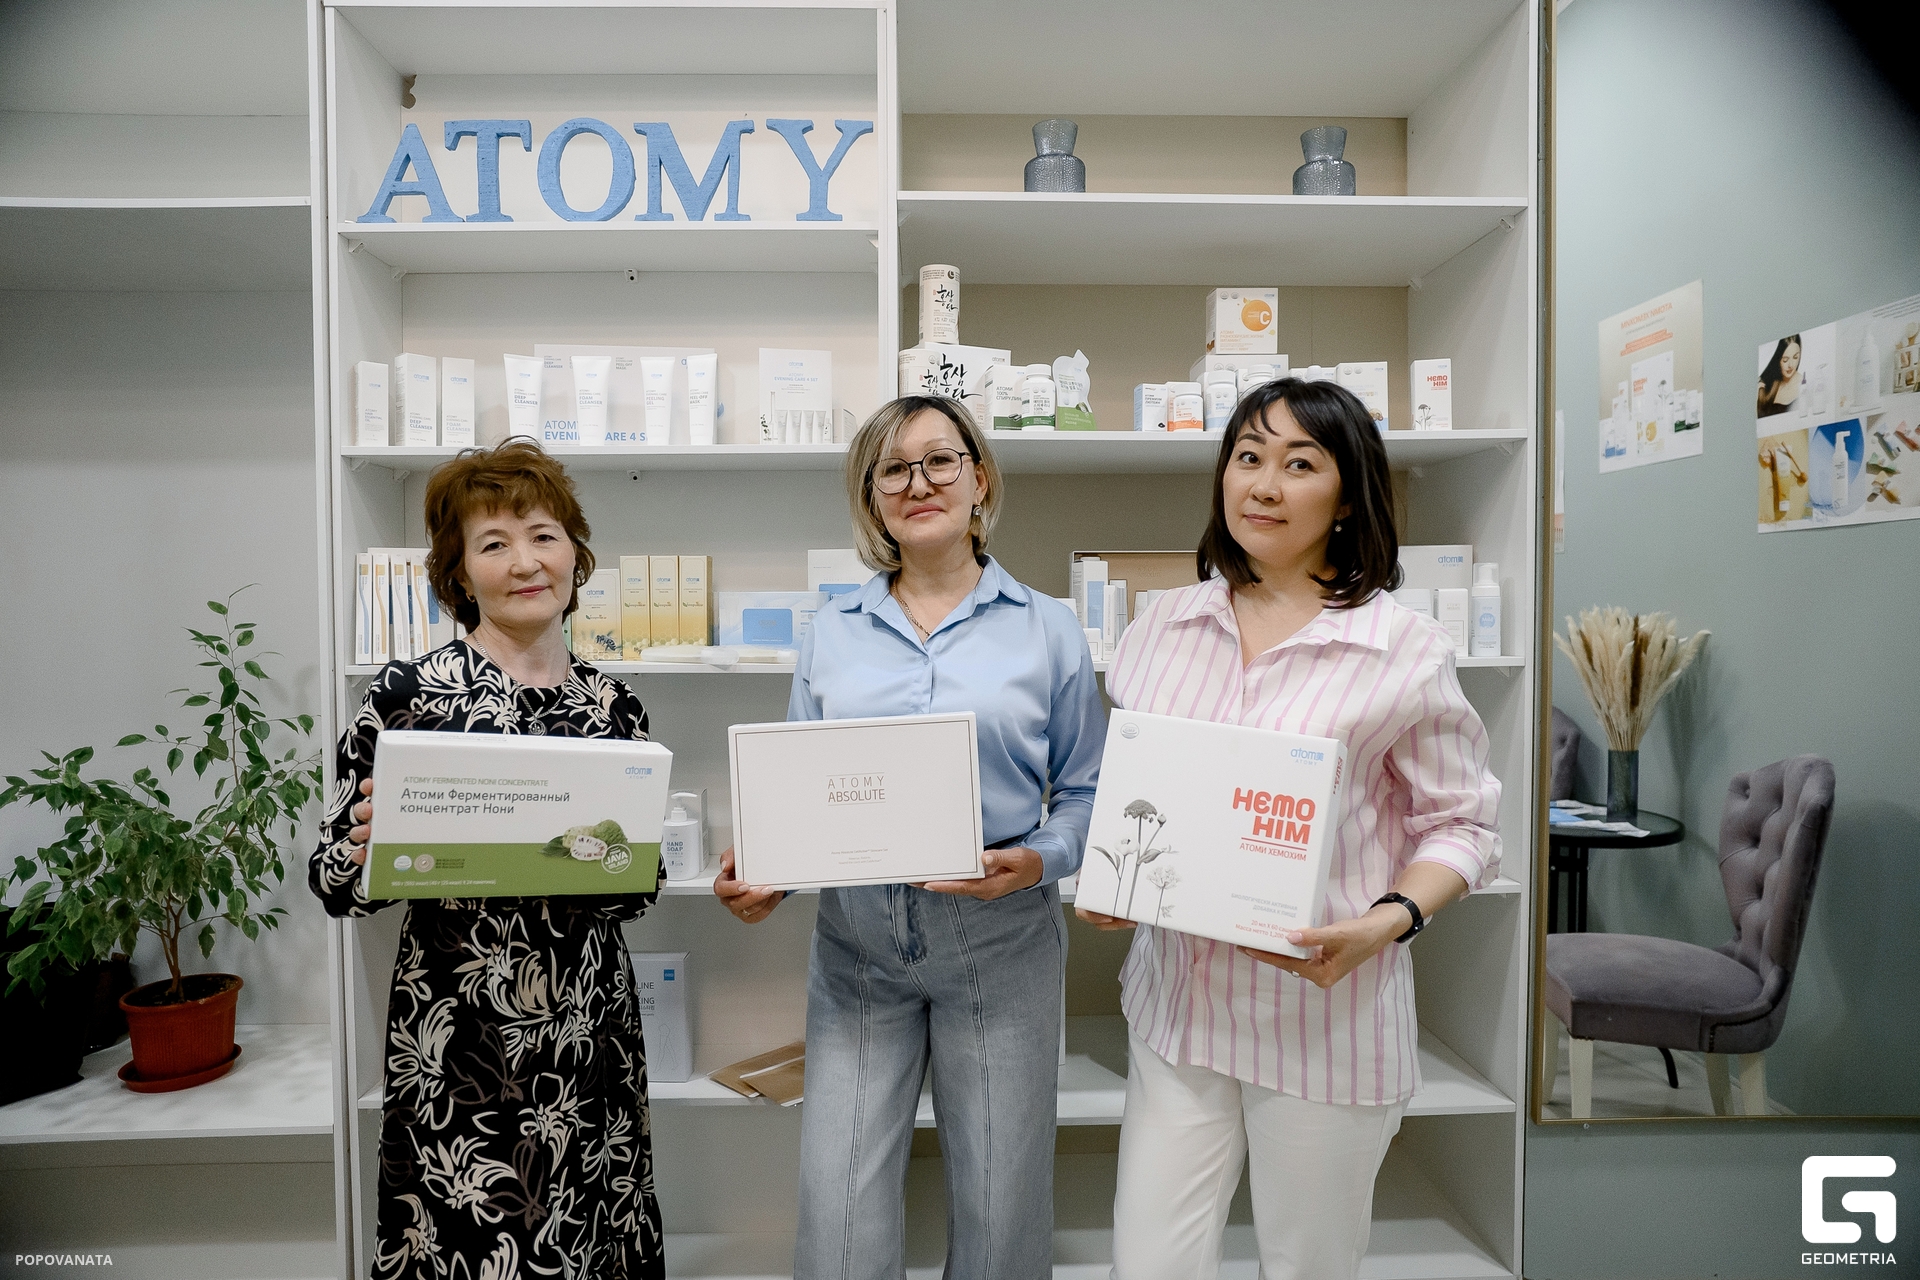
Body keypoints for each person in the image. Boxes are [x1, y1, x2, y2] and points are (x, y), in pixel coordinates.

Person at [1079, 378, 1502, 1280]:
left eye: (1300, 464)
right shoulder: (1161, 626)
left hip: (1324, 1022)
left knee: (1308, 1264)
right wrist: (1120, 879)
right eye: (1248, 457)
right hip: (1178, 1011)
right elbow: (1144, 789)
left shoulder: (1400, 649)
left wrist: (1386, 922)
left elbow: (1463, 825)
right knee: (1148, 1264)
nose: (1264, 485)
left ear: (1348, 498)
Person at [714, 396, 1105, 1280]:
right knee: (838, 1212)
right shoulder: (832, 633)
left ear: (980, 478)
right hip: (858, 946)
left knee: (1001, 1209)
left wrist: (1038, 861)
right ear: (872, 497)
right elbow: (797, 790)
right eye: (892, 469)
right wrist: (767, 870)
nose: (918, 482)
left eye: (939, 460)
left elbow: (1086, 792)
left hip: (1002, 942)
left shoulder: (1047, 627)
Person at [309, 439, 666, 1280]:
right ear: (460, 573)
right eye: (494, 543)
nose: (525, 562)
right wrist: (367, 846)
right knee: (472, 1245)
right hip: (461, 1044)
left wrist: (626, 859)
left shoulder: (613, 705)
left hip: (589, 1031)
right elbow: (332, 880)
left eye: (544, 536)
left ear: (575, 555)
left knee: (592, 1228)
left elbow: (633, 892)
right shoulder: (408, 696)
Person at [1758, 334, 1803, 418]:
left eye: (1795, 357)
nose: (1791, 365)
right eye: (1785, 360)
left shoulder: (1802, 384)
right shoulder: (1767, 383)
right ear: (1777, 359)